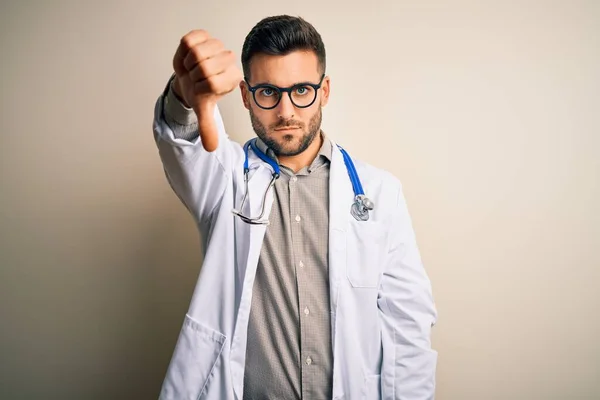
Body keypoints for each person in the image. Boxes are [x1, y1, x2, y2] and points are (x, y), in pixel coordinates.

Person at [152, 15, 437, 400]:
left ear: (325, 90)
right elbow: (183, 141)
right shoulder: (225, 179)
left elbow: (408, 328)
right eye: (268, 92)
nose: (286, 111)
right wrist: (183, 97)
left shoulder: (379, 192)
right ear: (245, 94)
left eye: (301, 89)